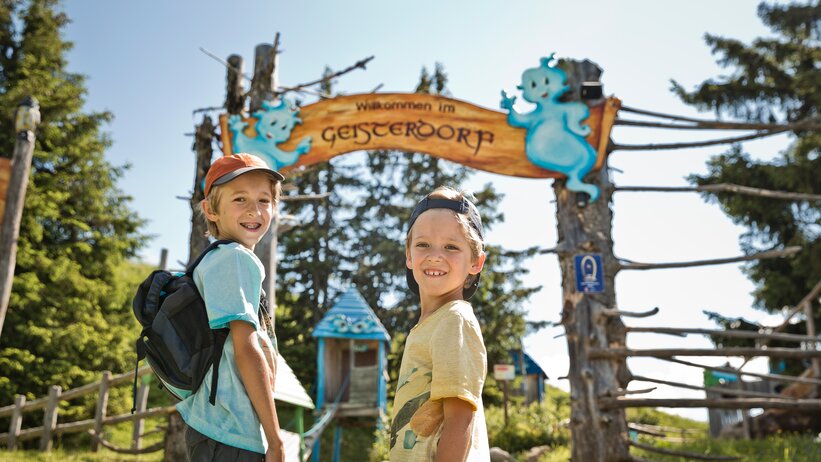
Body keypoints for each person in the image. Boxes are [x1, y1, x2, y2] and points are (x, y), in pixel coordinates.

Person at [177, 153, 285, 462]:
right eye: (240, 199)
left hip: (213, 427)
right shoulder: (236, 258)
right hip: (230, 430)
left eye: (264, 200)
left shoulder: (214, 258)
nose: (254, 210)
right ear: (210, 210)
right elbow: (245, 349)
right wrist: (275, 439)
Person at [390, 186, 490, 461]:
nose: (435, 255)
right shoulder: (432, 325)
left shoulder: (454, 319)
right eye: (423, 244)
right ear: (408, 255)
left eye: (451, 247)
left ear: (476, 262)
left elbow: (460, 422)